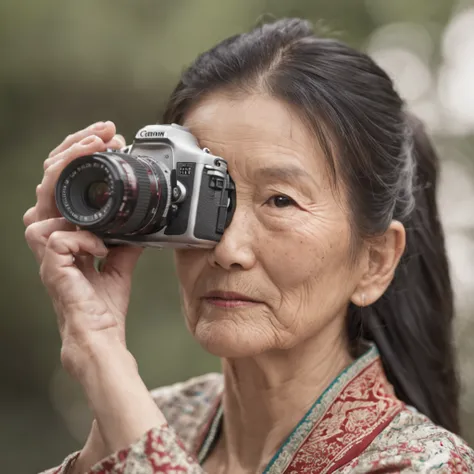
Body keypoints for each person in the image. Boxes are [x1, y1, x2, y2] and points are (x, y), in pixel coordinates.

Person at [24, 17, 474, 474]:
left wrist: (104, 367)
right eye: (206, 197)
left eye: (280, 200)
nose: (227, 249)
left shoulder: (423, 463)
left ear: (374, 262)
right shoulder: (164, 416)